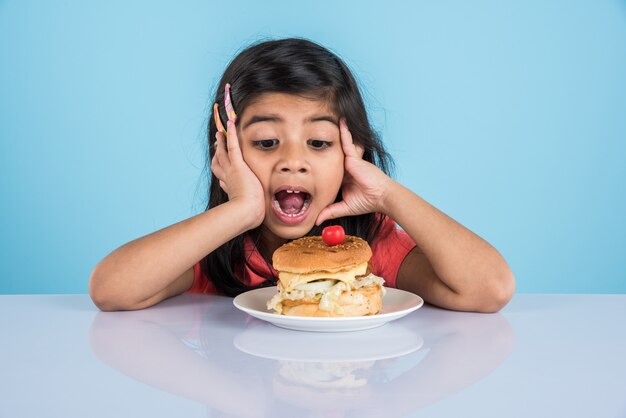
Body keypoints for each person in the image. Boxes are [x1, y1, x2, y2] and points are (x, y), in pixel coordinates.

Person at [89, 38, 515, 313]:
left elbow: (490, 289)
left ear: (354, 153)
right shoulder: (219, 248)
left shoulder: (367, 248)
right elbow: (111, 290)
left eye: (319, 143)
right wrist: (240, 211)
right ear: (226, 152)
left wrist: (386, 193)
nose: (294, 162)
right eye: (267, 143)